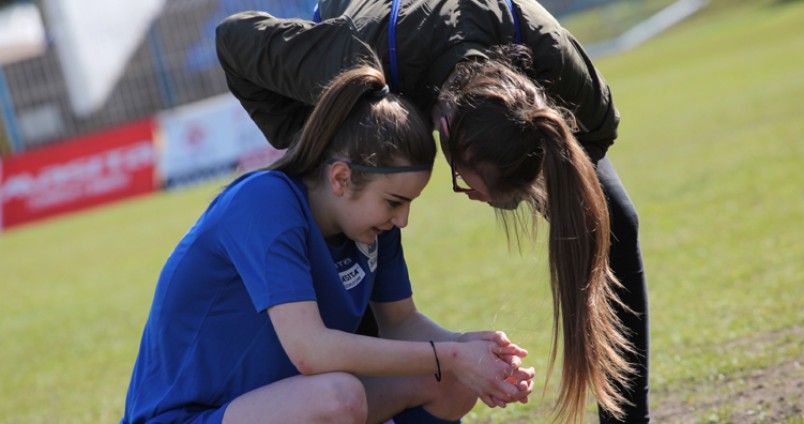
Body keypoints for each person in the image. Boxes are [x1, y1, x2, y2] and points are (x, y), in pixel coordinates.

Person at [215, 0, 650, 422]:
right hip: (376, 48)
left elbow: (597, 137)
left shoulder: (550, 53)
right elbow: (233, 38)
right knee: (351, 241)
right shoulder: (356, 60)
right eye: (470, 188)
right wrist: (318, 140)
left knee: (616, 225)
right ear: (445, 133)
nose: (477, 200)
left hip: (475, 58)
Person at [120, 63, 535, 424]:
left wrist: (469, 349)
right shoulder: (264, 203)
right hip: (188, 416)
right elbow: (311, 352)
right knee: (338, 399)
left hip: (287, 405)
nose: (403, 219)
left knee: (445, 378)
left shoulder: (373, 226)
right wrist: (452, 357)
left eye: (410, 203)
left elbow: (401, 323)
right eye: (394, 202)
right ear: (340, 178)